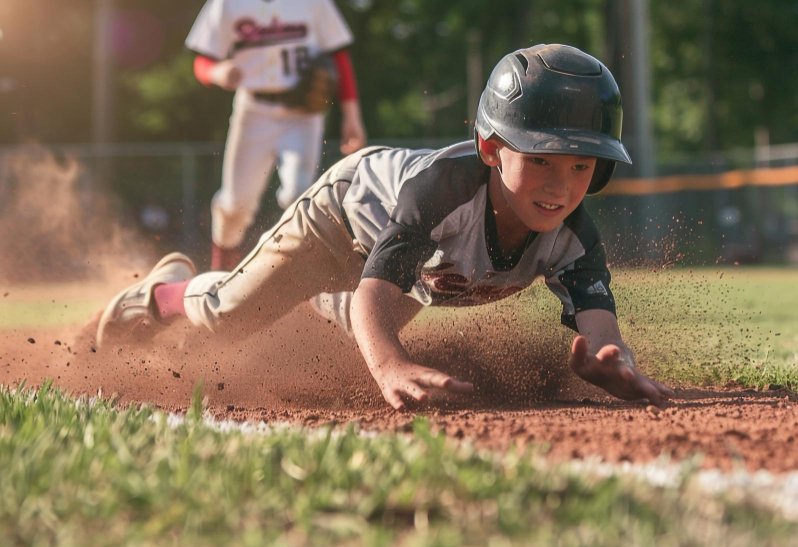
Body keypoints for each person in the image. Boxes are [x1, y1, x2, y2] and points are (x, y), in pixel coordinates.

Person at [96, 44, 672, 411]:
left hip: (412, 267)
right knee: (228, 317)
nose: (559, 185)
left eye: (580, 165)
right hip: (340, 220)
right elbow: (376, 290)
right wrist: (391, 366)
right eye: (541, 159)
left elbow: (600, 328)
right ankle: (159, 293)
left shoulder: (573, 236)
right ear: (493, 150)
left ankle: (310, 302)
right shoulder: (443, 193)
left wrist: (610, 362)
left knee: (353, 325)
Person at [185, 0, 368, 270]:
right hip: (253, 111)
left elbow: (339, 55)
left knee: (299, 194)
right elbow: (202, 61)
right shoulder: (227, 4)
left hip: (303, 115)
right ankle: (222, 266)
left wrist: (352, 116)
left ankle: (288, 273)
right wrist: (216, 71)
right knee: (236, 204)